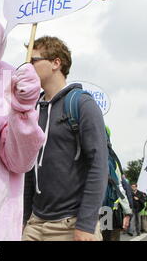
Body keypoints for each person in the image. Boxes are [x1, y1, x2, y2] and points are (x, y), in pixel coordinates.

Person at [22, 36, 109, 241]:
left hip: (71, 224)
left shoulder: (81, 104)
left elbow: (99, 165)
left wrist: (86, 224)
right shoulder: (32, 109)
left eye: (33, 60)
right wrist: (24, 218)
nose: (28, 67)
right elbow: (28, 169)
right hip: (34, 223)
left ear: (56, 63)